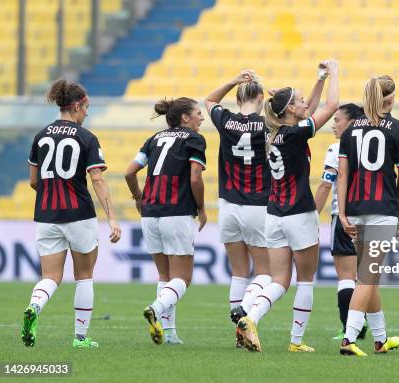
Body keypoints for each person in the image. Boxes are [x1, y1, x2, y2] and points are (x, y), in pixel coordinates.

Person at [237, 60, 339, 352]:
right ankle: (296, 342)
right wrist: (335, 72)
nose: (305, 102)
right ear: (291, 110)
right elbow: (331, 106)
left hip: (274, 215)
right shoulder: (295, 134)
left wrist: (318, 80)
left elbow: (309, 109)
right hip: (299, 214)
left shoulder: (274, 133)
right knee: (305, 280)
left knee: (279, 280)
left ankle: (251, 317)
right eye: (299, 100)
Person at [21, 78, 121, 348]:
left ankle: (34, 307)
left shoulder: (41, 136)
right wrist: (111, 215)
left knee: (50, 277)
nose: (86, 113)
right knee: (84, 276)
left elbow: (33, 181)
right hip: (79, 214)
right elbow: (97, 179)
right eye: (86, 108)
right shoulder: (86, 137)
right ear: (77, 105)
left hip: (46, 215)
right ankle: (80, 337)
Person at [338, 75, 399, 356]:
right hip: (382, 208)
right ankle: (349, 339)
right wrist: (398, 212)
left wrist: (343, 212)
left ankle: (381, 339)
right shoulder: (397, 129)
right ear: (391, 99)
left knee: (369, 275)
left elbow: (343, 173)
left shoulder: (350, 129)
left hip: (356, 209)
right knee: (368, 277)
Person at [124, 97, 207, 345]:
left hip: (150, 214)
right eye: (198, 113)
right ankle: (156, 309)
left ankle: (169, 333)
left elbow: (129, 171)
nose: (202, 118)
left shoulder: (154, 139)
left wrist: (138, 198)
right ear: (185, 117)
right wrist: (201, 207)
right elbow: (195, 178)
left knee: (165, 276)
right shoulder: (194, 139)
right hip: (177, 212)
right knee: (183, 279)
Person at [204, 70, 271, 348]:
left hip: (228, 205)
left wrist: (232, 80)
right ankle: (243, 314)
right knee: (267, 273)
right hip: (258, 204)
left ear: (239, 96)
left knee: (239, 273)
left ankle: (238, 334)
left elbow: (208, 100)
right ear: (260, 97)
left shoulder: (226, 120)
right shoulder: (267, 125)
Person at [314, 103, 368, 341]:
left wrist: (312, 215)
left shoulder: (337, 149)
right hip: (375, 216)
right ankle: (374, 329)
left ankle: (350, 328)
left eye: (337, 120)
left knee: (346, 276)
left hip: (345, 216)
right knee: (367, 276)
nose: (333, 124)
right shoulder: (375, 146)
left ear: (352, 123)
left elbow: (326, 184)